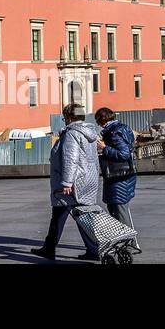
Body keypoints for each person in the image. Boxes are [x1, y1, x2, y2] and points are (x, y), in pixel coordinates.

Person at [32, 103, 101, 261]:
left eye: (65, 117)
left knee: (60, 215)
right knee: (81, 216)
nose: (64, 120)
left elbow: (71, 160)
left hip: (73, 184)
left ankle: (49, 249)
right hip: (87, 180)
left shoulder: (71, 134)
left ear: (70, 117)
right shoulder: (90, 132)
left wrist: (67, 183)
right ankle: (93, 250)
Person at [96, 107, 138, 240]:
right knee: (116, 208)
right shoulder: (122, 128)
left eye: (97, 121)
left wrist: (104, 148)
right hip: (123, 175)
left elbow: (123, 154)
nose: (97, 124)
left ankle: (128, 243)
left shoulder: (113, 133)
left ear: (102, 120)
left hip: (119, 176)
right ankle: (124, 240)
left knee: (120, 210)